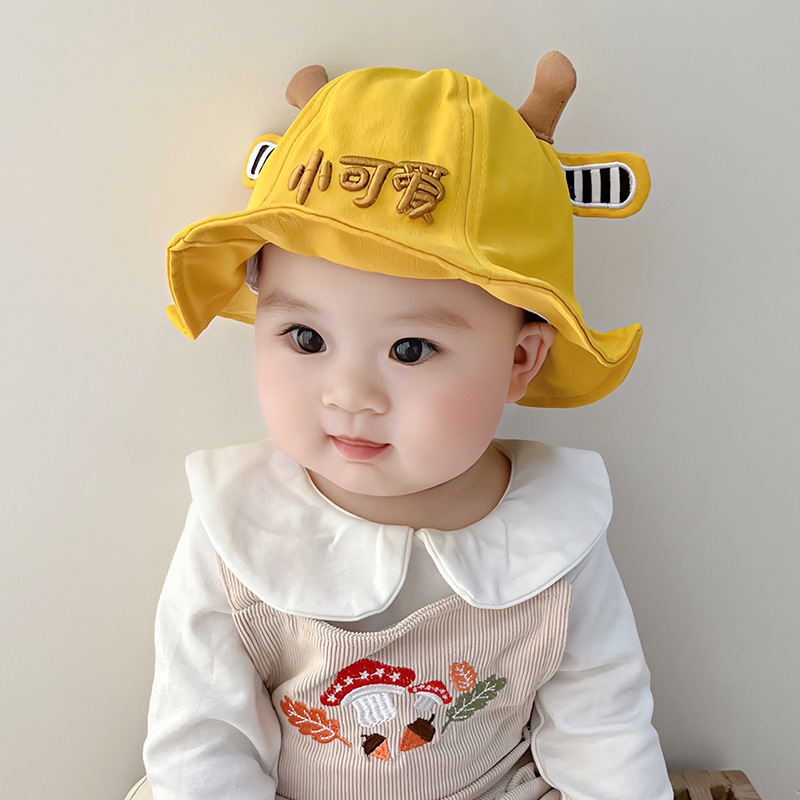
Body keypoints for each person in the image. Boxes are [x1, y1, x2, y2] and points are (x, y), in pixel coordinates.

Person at [139, 53, 672, 800]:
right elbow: (203, 746)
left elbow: (603, 733)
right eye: (305, 338)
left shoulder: (557, 528)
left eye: (411, 350)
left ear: (520, 361)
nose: (350, 396)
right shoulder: (237, 523)